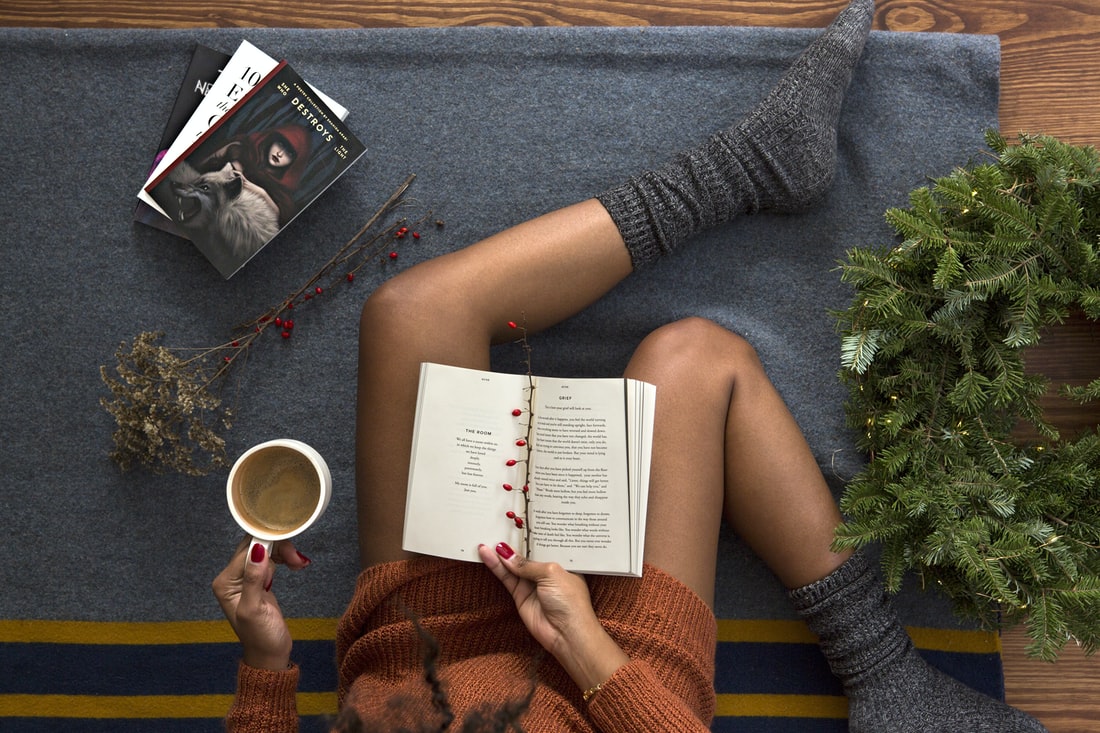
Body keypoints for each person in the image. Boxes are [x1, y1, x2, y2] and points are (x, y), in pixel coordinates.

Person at [212, 1, 1049, 730]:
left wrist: (264, 663)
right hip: (603, 693)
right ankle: (885, 673)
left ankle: (752, 167)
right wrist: (590, 652)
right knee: (693, 357)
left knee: (411, 314)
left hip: (419, 655)